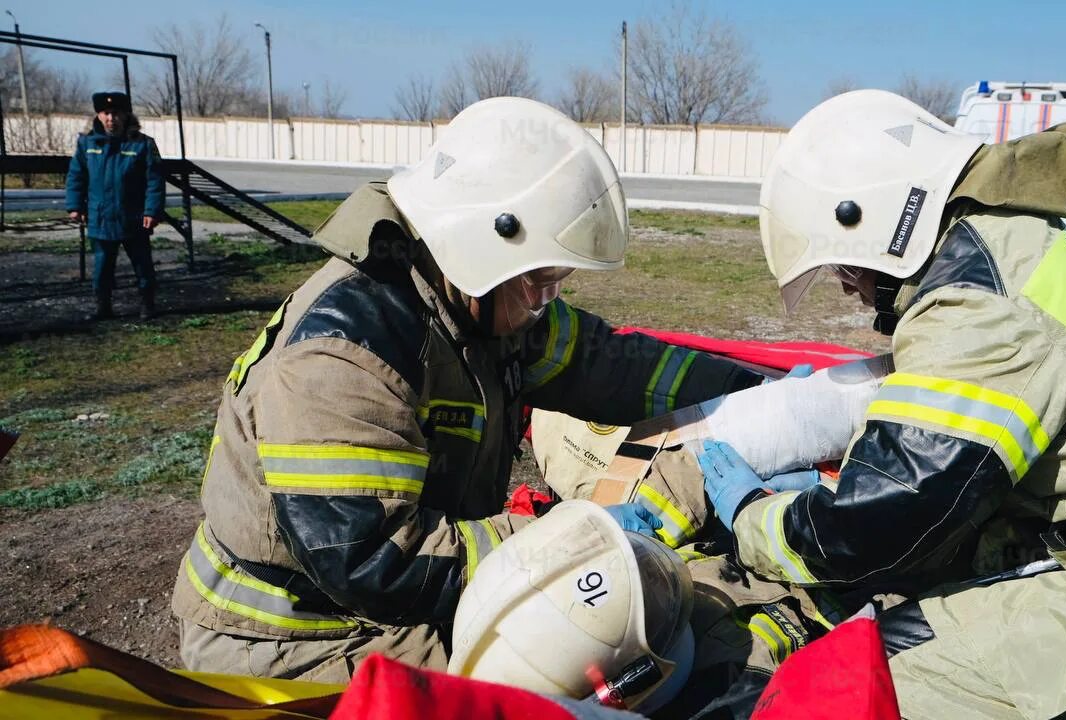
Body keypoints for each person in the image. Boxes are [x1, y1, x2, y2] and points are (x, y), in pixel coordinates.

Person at [697, 89, 1066, 718]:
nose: (848, 286)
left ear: (870, 219)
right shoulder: (1025, 249)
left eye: (846, 265)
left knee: (849, 690)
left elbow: (882, 525)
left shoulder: (974, 302)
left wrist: (756, 515)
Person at [171, 97, 763, 683]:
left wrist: (756, 391)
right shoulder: (342, 353)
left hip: (379, 603)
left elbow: (614, 367)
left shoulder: (475, 299)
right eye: (537, 281)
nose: (543, 303)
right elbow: (375, 559)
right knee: (565, 680)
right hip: (296, 634)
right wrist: (569, 541)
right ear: (482, 244)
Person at [65, 91, 165, 320]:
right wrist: (75, 206)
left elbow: (154, 180)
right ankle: (103, 307)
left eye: (116, 113)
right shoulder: (87, 144)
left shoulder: (142, 145)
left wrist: (152, 210)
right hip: (101, 218)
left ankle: (147, 304)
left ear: (125, 115)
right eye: (106, 113)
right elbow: (76, 176)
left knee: (142, 265)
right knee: (102, 267)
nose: (111, 118)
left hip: (134, 217)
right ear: (99, 115)